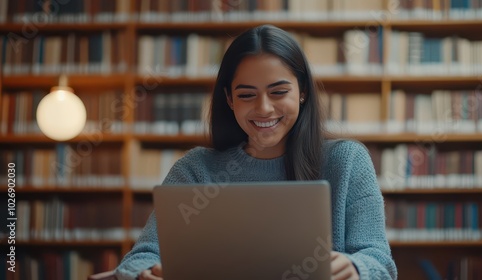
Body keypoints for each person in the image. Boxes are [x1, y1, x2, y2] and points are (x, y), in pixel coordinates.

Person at [116, 24, 397, 280]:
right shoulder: (195, 170)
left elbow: (380, 262)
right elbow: (140, 258)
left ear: (302, 92)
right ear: (229, 99)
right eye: (247, 95)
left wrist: (358, 269)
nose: (263, 108)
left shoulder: (346, 162)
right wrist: (144, 274)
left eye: (278, 92)